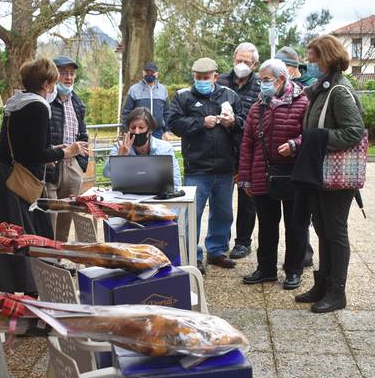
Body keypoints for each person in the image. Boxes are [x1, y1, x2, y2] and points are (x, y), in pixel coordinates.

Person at [0, 57, 88, 293]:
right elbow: (36, 153)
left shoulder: (16, 103)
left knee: (9, 238)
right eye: (54, 82)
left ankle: (13, 288)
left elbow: (25, 146)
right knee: (26, 238)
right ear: (47, 83)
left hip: (2, 176)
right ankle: (32, 288)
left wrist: (56, 149)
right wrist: (68, 151)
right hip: (15, 182)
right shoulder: (38, 107)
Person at [293, 35, 365, 313]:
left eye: (312, 59)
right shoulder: (322, 88)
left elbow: (353, 131)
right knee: (322, 229)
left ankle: (338, 292)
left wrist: (318, 139)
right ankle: (322, 285)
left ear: (327, 58)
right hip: (320, 173)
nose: (308, 64)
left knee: (335, 232)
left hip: (337, 177)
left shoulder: (339, 91)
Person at [165, 57, 245, 271]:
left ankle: (217, 251)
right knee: (193, 215)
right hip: (197, 167)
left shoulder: (230, 95)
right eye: (198, 78)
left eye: (205, 78)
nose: (201, 81)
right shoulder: (183, 97)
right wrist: (200, 123)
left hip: (225, 167)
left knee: (223, 213)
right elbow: (173, 123)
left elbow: (245, 125)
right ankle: (194, 255)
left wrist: (233, 122)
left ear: (215, 77)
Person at [238, 59, 308, 289]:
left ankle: (293, 271)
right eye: (260, 81)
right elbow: (247, 142)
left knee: (295, 226)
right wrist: (245, 177)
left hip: (293, 176)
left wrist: (295, 145)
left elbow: (311, 135)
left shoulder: (303, 102)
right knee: (266, 226)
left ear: (281, 79)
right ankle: (266, 268)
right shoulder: (258, 106)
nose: (262, 85)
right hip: (263, 173)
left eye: (266, 80)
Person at [217, 42, 260, 261]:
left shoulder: (261, 85)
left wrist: (236, 123)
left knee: (247, 199)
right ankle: (219, 242)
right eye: (238, 60)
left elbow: (260, 120)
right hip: (221, 150)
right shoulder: (221, 82)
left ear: (254, 64)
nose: (241, 64)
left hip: (247, 151)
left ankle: (243, 242)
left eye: (246, 62)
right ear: (233, 60)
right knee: (221, 200)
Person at [276, 46, 316, 267]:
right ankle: (301, 254)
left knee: (301, 214)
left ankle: (303, 255)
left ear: (290, 69)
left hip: (303, 154)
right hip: (286, 157)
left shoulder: (310, 87)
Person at [46, 56, 90, 241]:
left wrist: (81, 165)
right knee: (49, 216)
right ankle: (46, 261)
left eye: (72, 74)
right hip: (51, 164)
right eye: (64, 73)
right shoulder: (46, 100)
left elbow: (83, 134)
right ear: (54, 76)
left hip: (72, 166)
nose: (69, 78)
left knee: (66, 217)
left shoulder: (77, 102)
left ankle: (59, 260)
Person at [103, 107, 181, 188]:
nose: (136, 132)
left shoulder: (165, 148)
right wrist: (120, 158)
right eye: (133, 128)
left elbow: (175, 181)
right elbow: (106, 173)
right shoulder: (119, 147)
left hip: (157, 196)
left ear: (149, 130)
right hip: (128, 196)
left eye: (141, 127)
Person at [122, 62, 169, 139]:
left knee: (157, 151)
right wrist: (126, 131)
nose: (149, 74)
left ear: (157, 74)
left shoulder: (163, 90)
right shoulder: (134, 89)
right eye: (147, 72)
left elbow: (167, 112)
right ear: (143, 73)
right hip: (139, 131)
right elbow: (126, 112)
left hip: (157, 132)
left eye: (152, 72)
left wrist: (166, 130)